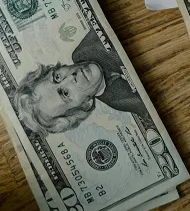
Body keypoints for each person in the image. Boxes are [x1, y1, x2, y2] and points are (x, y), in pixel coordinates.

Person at [13, 30, 147, 137]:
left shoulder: (87, 48)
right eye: (65, 93)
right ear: (84, 105)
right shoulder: (125, 101)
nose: (71, 77)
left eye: (57, 77)